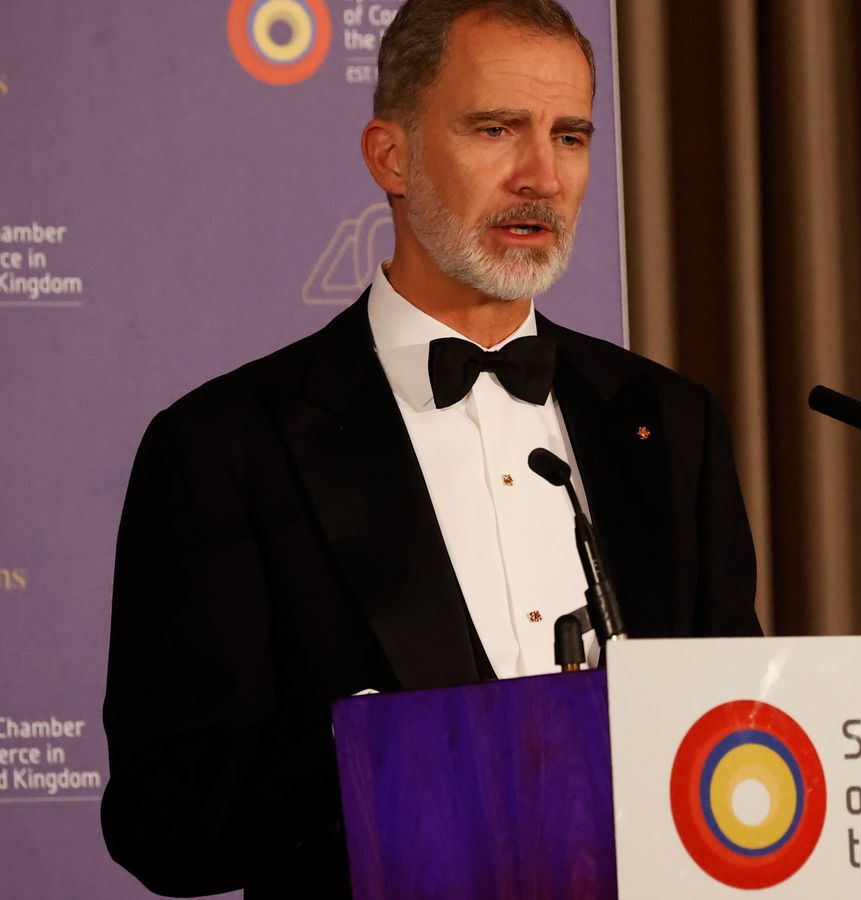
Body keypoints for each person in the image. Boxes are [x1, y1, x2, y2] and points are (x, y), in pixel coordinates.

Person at [100, 1, 761, 895]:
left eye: (570, 136)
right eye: (497, 129)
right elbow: (163, 821)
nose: (541, 175)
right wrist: (383, 756)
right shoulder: (227, 445)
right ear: (392, 156)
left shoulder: (672, 422)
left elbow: (730, 735)